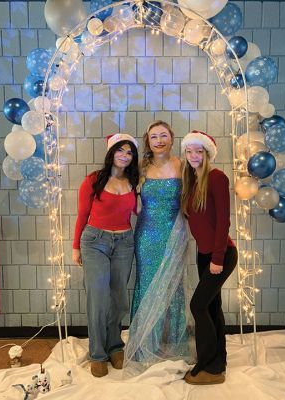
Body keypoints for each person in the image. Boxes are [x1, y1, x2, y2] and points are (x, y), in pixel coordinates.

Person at [124, 121, 193, 376]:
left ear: (172, 139)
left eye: (164, 135)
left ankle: (174, 344)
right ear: (148, 140)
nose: (160, 140)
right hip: (147, 236)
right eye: (154, 136)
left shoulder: (182, 165)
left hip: (175, 233)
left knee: (173, 287)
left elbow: (191, 197)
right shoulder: (140, 167)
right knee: (148, 284)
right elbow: (125, 195)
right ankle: (144, 345)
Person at [72, 133, 139, 378]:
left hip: (124, 243)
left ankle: (114, 345)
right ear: (111, 153)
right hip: (95, 242)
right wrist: (76, 247)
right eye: (120, 150)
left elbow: (139, 211)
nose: (125, 155)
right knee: (98, 298)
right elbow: (82, 215)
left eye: (129, 152)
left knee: (119, 297)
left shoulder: (134, 182)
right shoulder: (93, 180)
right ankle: (97, 353)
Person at [181, 130, 238, 385]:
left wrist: (217, 258)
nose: (193, 156)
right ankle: (218, 360)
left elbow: (223, 221)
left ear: (207, 153)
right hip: (204, 254)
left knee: (198, 306)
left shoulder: (216, 178)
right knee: (213, 307)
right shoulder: (192, 181)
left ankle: (209, 366)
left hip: (221, 255)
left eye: (198, 151)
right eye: (189, 151)